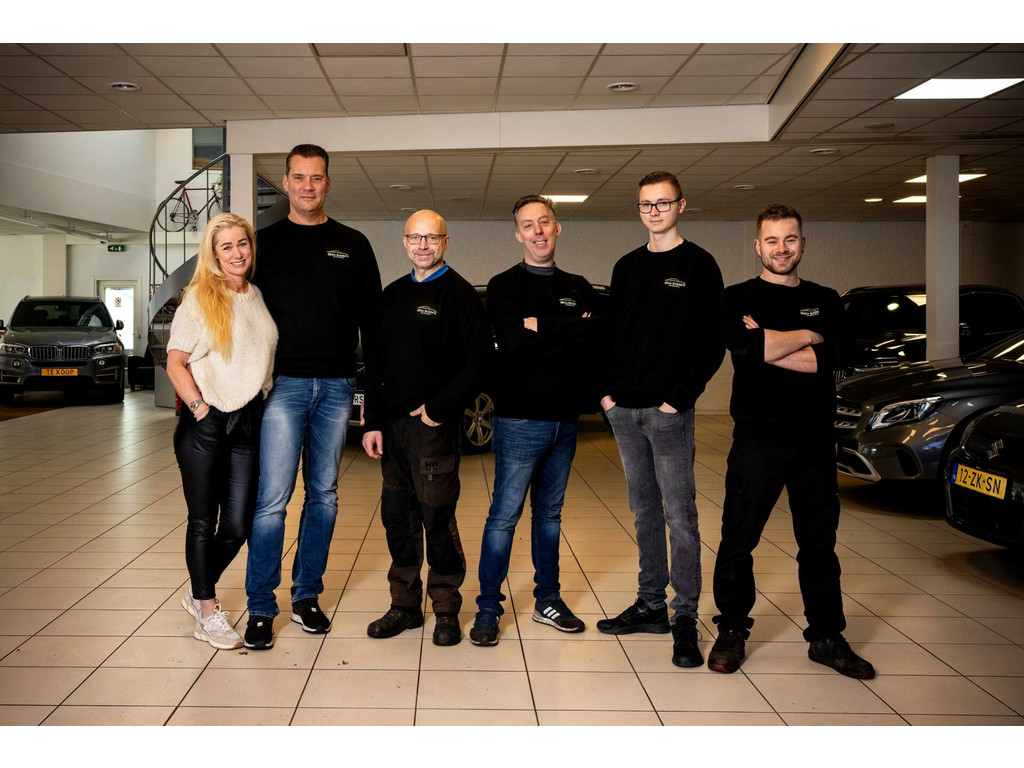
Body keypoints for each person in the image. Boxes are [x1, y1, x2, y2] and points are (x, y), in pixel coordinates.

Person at [708, 203, 875, 679]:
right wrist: (807, 335)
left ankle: (826, 637)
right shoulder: (737, 297)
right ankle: (732, 629)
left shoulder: (827, 298)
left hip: (814, 443)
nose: (781, 248)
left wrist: (770, 342)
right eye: (772, 240)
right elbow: (745, 349)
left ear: (803, 243)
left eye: (790, 239)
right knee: (738, 540)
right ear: (757, 245)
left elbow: (837, 357)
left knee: (819, 545)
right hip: (756, 440)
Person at [243, 144, 382, 650]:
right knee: (272, 501)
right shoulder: (263, 245)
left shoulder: (353, 244)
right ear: (285, 182)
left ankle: (306, 597)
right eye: (299, 177)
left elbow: (374, 327)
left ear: (328, 183)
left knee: (323, 496)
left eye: (316, 177)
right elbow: (238, 315)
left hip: (338, 386)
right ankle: (261, 607)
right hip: (283, 387)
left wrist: (375, 405)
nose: (307, 186)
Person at [597, 171, 724, 669]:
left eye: (663, 203)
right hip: (624, 410)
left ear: (681, 206)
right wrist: (607, 397)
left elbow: (711, 341)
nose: (654, 212)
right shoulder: (627, 266)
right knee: (644, 512)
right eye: (646, 204)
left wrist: (678, 399)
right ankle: (650, 604)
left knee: (680, 516)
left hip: (669, 412)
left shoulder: (699, 264)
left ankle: (684, 617)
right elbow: (611, 335)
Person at [469, 195, 599, 646]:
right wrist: (570, 327)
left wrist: (540, 326)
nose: (538, 231)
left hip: (565, 419)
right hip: (520, 420)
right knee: (504, 516)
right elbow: (512, 343)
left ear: (557, 228)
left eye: (545, 222)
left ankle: (548, 600)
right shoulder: (504, 286)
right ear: (518, 234)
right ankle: (488, 608)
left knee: (550, 516)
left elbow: (594, 339)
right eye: (528, 225)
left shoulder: (578, 286)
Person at [361, 210, 489, 647]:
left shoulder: (460, 295)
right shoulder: (392, 295)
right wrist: (372, 422)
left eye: (431, 238)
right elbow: (375, 363)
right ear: (404, 242)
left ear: (445, 242)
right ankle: (405, 606)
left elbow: (479, 362)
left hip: (432, 427)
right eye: (415, 237)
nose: (422, 245)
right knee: (397, 517)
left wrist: (438, 408)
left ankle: (446, 609)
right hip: (392, 427)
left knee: (436, 515)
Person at [167, 212, 278, 650]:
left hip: (247, 422)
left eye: (242, 244)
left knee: (237, 524)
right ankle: (207, 610)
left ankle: (198, 590)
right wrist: (199, 408)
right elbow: (176, 362)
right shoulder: (199, 298)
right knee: (202, 520)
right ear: (213, 254)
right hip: (207, 425)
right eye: (226, 246)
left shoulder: (256, 294)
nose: (236, 253)